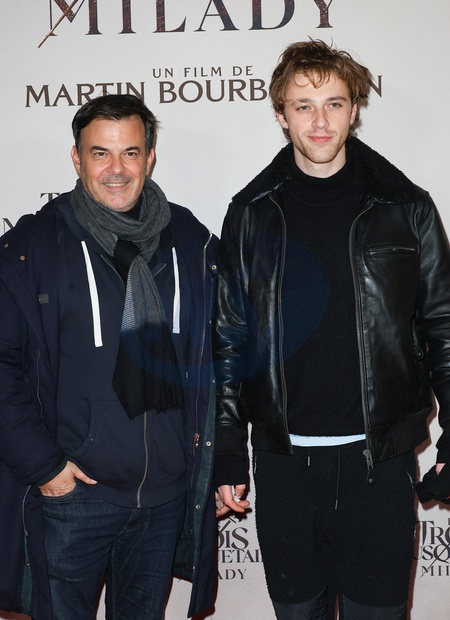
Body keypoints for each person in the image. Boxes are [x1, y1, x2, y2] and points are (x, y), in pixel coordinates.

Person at [213, 39, 450, 619]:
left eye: (334, 104)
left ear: (354, 109)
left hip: (380, 462)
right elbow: (229, 339)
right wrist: (227, 451)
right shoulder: (250, 211)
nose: (320, 121)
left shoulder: (407, 207)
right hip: (283, 465)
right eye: (303, 106)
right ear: (281, 115)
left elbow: (443, 328)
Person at [0, 94, 218, 620]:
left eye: (130, 152)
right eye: (100, 153)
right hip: (74, 495)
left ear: (150, 157)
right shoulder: (33, 246)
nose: (116, 169)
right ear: (77, 158)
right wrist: (46, 467)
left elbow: (217, 358)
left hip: (164, 496)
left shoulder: (189, 239)